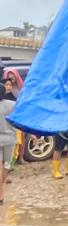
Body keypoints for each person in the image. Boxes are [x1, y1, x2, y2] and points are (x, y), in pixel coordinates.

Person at [0, 68, 21, 202]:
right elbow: (20, 118)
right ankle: (1, 190)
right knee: (7, 164)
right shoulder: (12, 105)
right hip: (10, 139)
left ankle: (1, 192)